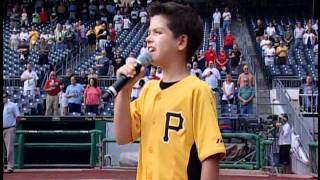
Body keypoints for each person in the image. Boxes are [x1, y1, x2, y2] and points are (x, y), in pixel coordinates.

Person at [114, 2, 226, 179]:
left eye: (158, 32)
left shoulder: (197, 90)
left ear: (181, 41)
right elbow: (122, 136)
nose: (149, 38)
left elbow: (210, 156)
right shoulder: (149, 89)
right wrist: (125, 91)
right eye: (149, 32)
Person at [3, 91, 21, 173]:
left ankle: (10, 167)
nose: (3, 98)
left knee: (9, 149)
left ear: (7, 97)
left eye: (4, 97)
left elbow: (18, 117)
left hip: (9, 128)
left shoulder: (13, 105)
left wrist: (13, 126)